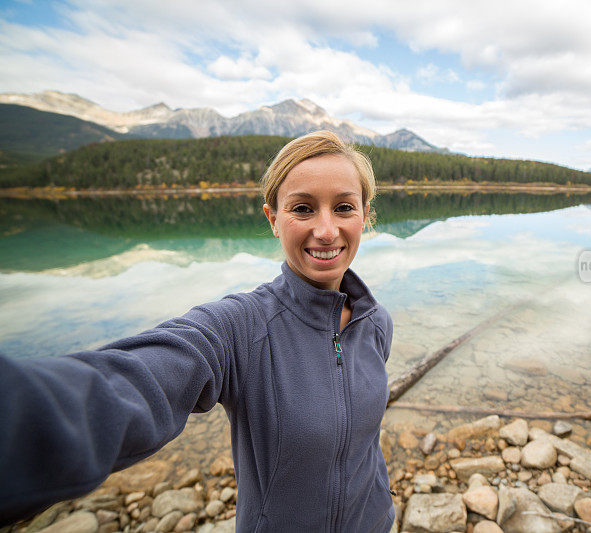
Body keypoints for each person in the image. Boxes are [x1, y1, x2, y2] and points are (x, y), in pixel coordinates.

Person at [0, 130, 395, 532]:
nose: (326, 230)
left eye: (344, 207)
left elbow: (365, 445)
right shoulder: (241, 327)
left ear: (365, 214)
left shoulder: (375, 322)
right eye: (303, 208)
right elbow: (137, 381)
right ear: (274, 219)